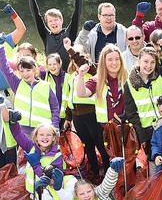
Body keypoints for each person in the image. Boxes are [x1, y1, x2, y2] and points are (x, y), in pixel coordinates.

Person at [62, 40, 109, 179]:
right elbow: (69, 98)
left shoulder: (92, 69)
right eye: (74, 55)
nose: (75, 57)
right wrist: (68, 117)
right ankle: (94, 172)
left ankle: (108, 172)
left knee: (100, 144)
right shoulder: (71, 76)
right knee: (87, 146)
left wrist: (70, 50)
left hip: (91, 115)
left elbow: (80, 61)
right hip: (77, 117)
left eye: (78, 54)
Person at [0, 33, 59, 136]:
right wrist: (0, 47)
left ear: (34, 70)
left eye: (28, 70)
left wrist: (55, 127)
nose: (25, 74)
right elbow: (4, 68)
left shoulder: (45, 86)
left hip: (44, 131)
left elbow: (55, 108)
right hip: (24, 131)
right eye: (22, 71)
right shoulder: (17, 84)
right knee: (27, 152)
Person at [124, 46, 162, 164]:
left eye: (152, 62)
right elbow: (131, 113)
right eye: (145, 61)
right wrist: (141, 136)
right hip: (147, 132)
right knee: (154, 163)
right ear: (139, 61)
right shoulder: (129, 84)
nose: (149, 66)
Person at [27, 0, 83, 71]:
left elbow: (77, 13)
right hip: (52, 77)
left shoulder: (70, 33)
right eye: (50, 21)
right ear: (47, 24)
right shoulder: (46, 36)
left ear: (61, 20)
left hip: (68, 76)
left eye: (56, 20)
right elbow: (36, 16)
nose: (53, 23)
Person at [7, 121, 63, 200]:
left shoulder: (57, 156)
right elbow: (18, 135)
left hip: (48, 196)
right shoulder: (31, 147)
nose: (45, 137)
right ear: (36, 137)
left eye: (48, 135)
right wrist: (13, 124)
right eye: (41, 135)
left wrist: (36, 165)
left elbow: (49, 180)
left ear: (54, 138)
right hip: (32, 190)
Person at [76, 44, 128, 124]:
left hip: (126, 126)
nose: (114, 63)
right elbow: (81, 94)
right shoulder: (98, 79)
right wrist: (81, 76)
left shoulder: (127, 77)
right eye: (110, 60)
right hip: (104, 129)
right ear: (104, 62)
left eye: (117, 59)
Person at [40, 53, 71, 126]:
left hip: (63, 117)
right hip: (48, 116)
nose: (52, 67)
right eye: (49, 64)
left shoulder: (67, 77)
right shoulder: (44, 76)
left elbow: (70, 99)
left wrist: (68, 118)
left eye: (54, 64)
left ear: (60, 64)